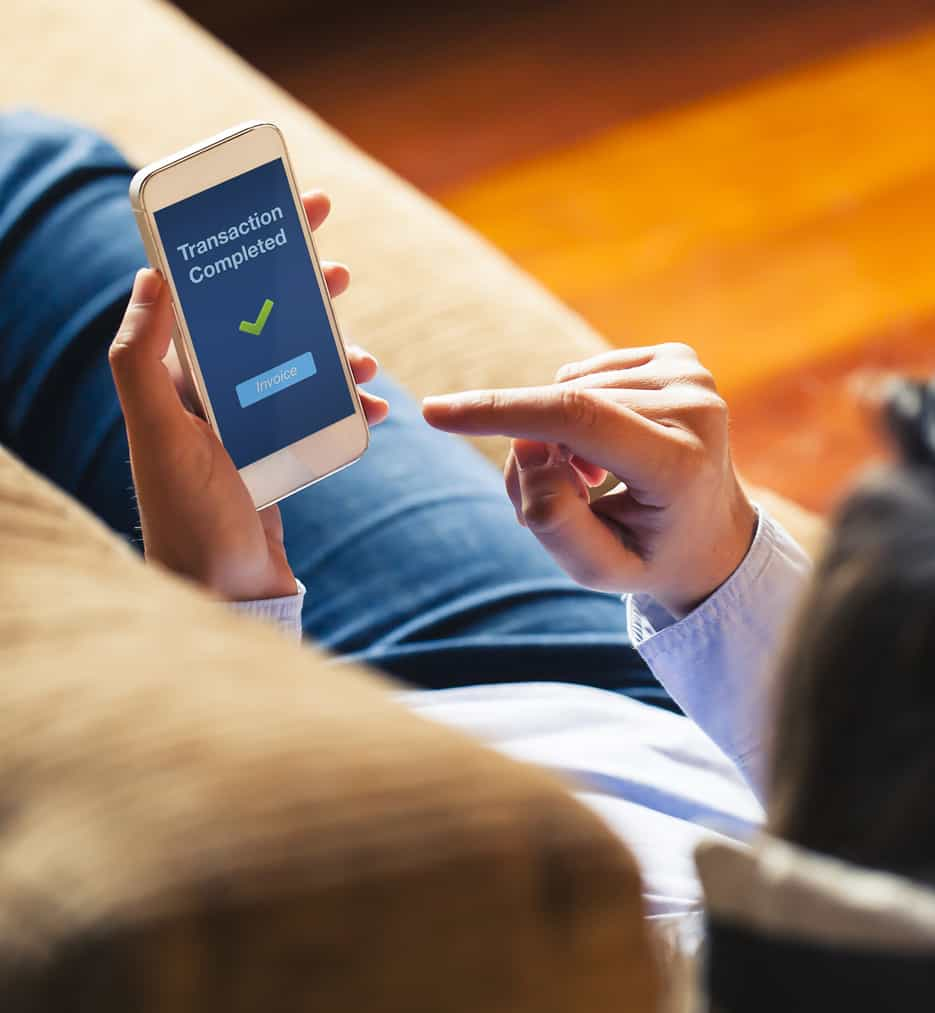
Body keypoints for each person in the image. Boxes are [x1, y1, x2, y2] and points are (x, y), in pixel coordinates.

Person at [0, 111, 812, 922]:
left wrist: (227, 614)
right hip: (634, 705)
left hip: (329, 816)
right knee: (33, 176)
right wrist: (717, 569)